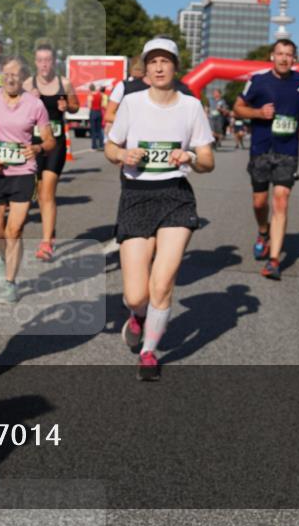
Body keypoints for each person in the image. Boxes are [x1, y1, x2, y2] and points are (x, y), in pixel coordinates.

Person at [105, 38, 214, 381]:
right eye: (152, 61)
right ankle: (137, 316)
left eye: (165, 61)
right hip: (136, 196)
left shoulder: (191, 107)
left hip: (175, 197)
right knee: (136, 294)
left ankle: (150, 352)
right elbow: (110, 146)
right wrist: (123, 156)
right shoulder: (132, 104)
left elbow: (208, 160)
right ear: (145, 68)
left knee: (162, 283)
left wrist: (191, 157)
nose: (158, 67)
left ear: (175, 67)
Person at [233, 38, 299, 281]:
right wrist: (258, 113)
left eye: (289, 54)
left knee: (281, 200)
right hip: (261, 149)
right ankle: (263, 231)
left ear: (294, 59)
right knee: (260, 203)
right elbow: (238, 107)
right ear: (272, 56)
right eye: (280, 53)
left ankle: (274, 260)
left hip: (288, 151)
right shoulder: (258, 81)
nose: (284, 58)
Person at [0, 56, 55, 304]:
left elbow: (50, 140)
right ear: (1, 76)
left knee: (15, 229)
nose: (11, 78)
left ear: (24, 78)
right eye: (7, 74)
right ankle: (3, 256)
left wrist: (38, 149)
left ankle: (10, 283)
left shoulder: (35, 105)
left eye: (16, 74)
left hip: (23, 172)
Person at [22, 43, 79, 261]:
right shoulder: (28, 84)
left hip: (55, 143)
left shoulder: (64, 82)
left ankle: (46, 243)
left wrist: (67, 107)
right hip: (34, 143)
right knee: (37, 190)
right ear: (35, 63)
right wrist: (29, 100)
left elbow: (75, 105)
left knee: (47, 192)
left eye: (48, 60)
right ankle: (50, 231)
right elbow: (18, 110)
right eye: (40, 60)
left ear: (54, 61)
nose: (44, 64)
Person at [104, 56, 144, 127]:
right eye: (136, 69)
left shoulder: (152, 85)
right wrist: (133, 122)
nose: (137, 72)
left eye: (139, 69)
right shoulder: (123, 86)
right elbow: (108, 115)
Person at [89, 83, 105, 150]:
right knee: (99, 129)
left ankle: (94, 146)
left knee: (93, 130)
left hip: (93, 112)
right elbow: (101, 104)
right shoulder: (100, 95)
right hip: (99, 112)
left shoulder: (90, 96)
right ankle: (101, 144)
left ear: (90, 89)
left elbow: (89, 106)